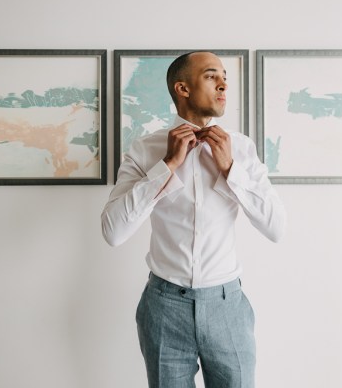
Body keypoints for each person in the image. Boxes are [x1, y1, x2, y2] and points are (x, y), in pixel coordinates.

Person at [101, 51, 286, 388]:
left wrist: (232, 169)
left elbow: (276, 227)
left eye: (225, 76)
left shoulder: (242, 149)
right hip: (163, 308)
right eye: (212, 75)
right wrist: (166, 166)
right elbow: (113, 232)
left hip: (227, 307)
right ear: (182, 88)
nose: (224, 84)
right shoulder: (144, 150)